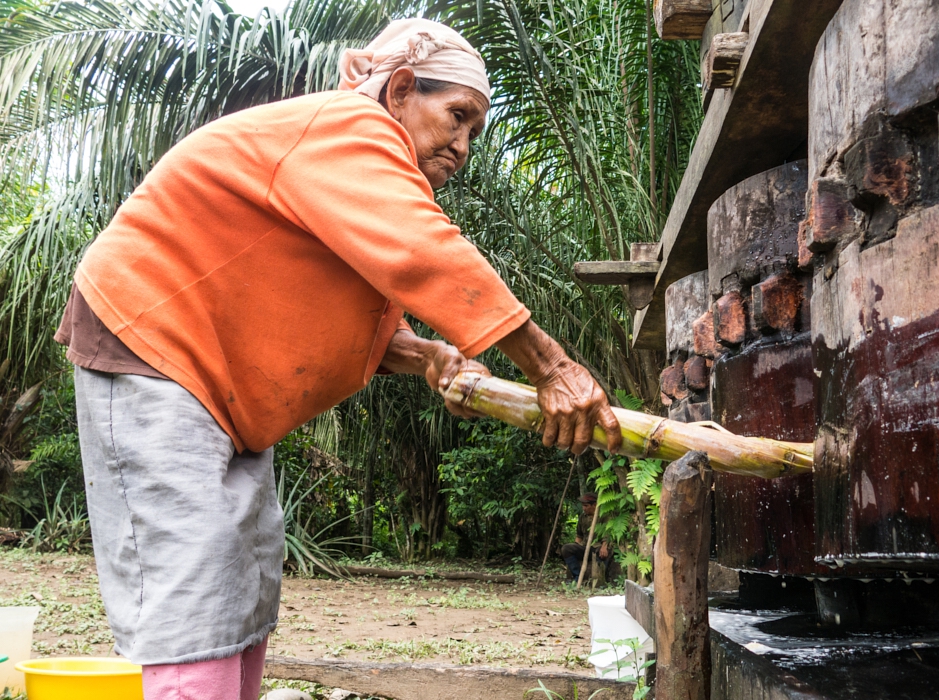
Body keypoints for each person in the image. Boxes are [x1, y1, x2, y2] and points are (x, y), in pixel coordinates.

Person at [54, 18, 622, 700]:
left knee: (241, 579)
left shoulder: (358, 166)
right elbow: (422, 253)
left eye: (476, 131)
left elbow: (364, 306)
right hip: (150, 347)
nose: (465, 145)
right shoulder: (353, 125)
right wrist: (553, 368)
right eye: (458, 117)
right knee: (191, 584)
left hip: (217, 392)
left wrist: (430, 357)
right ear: (403, 89)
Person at [561, 493, 611, 582]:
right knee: (566, 549)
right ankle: (577, 576)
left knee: (603, 554)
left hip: (598, 546)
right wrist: (575, 546)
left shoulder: (604, 516)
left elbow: (608, 533)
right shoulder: (582, 517)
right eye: (583, 506)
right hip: (585, 546)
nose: (584, 508)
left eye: (586, 506)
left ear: (594, 505)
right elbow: (579, 536)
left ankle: (601, 579)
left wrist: (604, 546)